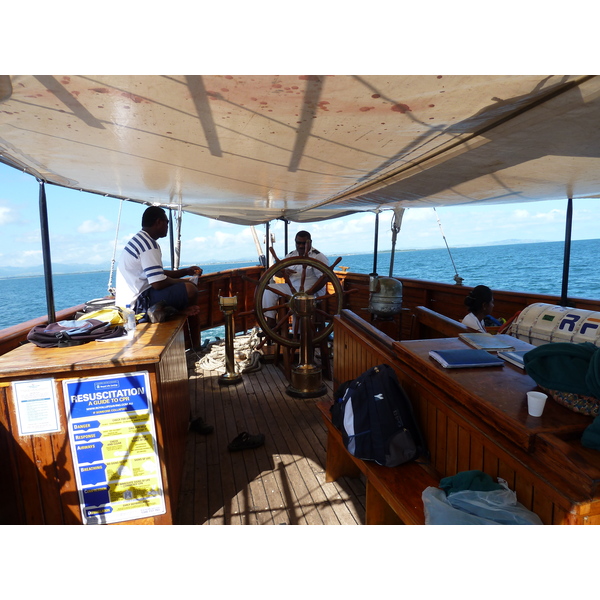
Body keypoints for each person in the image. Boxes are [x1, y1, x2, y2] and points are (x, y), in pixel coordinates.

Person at [115, 206, 202, 347]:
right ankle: (193, 344)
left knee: (186, 286)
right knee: (191, 290)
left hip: (133, 300)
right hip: (136, 305)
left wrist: (185, 271)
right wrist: (184, 282)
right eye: (167, 222)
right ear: (158, 222)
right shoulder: (149, 245)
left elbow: (157, 273)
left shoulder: (141, 240)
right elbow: (158, 283)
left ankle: (179, 314)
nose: (168, 226)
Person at [261, 230, 329, 328]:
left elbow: (324, 279)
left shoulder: (318, 257)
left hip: (311, 291)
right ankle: (270, 322)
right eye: (298, 243)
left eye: (304, 243)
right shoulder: (291, 255)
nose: (301, 246)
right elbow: (278, 273)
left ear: (310, 242)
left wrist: (310, 292)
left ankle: (298, 336)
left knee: (299, 300)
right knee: (269, 289)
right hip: (292, 288)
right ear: (295, 242)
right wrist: (283, 271)